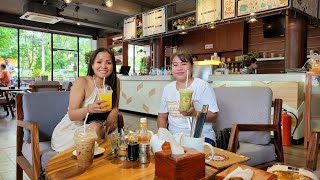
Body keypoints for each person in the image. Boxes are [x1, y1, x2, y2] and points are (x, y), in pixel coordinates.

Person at [51, 48, 120, 152]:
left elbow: (115, 105)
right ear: (92, 65)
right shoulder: (82, 81)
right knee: (97, 128)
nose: (104, 66)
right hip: (70, 132)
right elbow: (72, 115)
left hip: (98, 130)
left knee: (106, 130)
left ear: (113, 66)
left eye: (108, 63)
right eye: (99, 62)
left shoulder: (115, 82)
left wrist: (114, 111)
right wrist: (89, 109)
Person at [157, 51, 219, 146]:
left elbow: (214, 116)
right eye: (175, 65)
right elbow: (162, 116)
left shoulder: (202, 86)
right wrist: (163, 136)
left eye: (184, 64)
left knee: (189, 157)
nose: (179, 68)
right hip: (174, 137)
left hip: (201, 137)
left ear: (191, 66)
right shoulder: (168, 89)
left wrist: (195, 113)